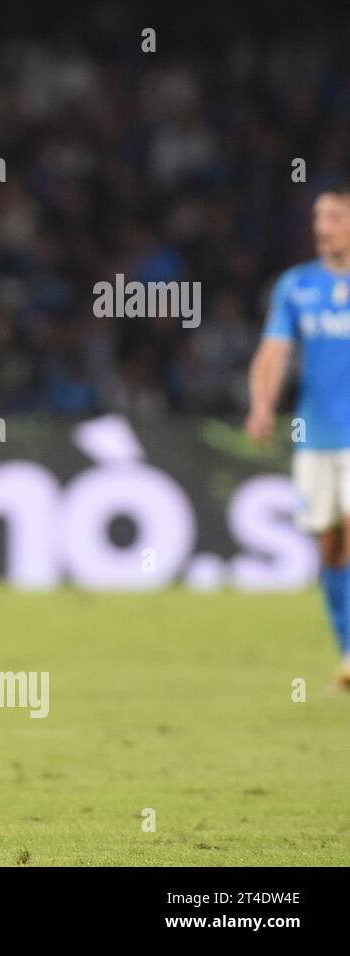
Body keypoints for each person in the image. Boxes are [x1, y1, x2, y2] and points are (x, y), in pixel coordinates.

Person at [247, 184, 350, 690]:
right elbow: (273, 351)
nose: (321, 227)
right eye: (318, 218)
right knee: (330, 546)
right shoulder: (297, 285)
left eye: (332, 217)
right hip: (317, 437)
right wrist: (262, 406)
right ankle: (348, 652)